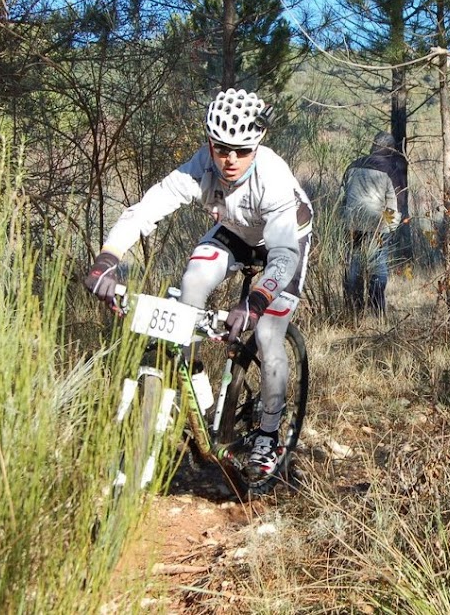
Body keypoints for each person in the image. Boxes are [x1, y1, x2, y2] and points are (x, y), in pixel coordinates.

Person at [84, 88, 313, 478]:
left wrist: (255, 301)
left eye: (242, 151)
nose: (230, 159)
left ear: (257, 145)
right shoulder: (201, 165)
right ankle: (198, 395)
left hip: (284, 242)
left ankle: (268, 436)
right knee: (191, 283)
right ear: (210, 142)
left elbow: (284, 257)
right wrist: (107, 259)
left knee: (270, 334)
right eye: (222, 148)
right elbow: (146, 209)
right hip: (234, 231)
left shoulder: (273, 178)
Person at [338, 131, 407, 318]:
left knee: (353, 266)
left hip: (351, 224)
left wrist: (343, 220)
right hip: (377, 226)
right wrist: (390, 228)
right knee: (378, 267)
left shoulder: (353, 165)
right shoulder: (392, 169)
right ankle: (376, 313)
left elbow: (341, 197)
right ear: (390, 149)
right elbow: (394, 202)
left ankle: (353, 310)